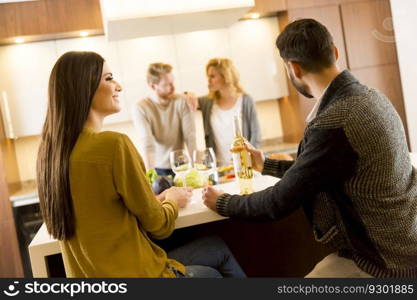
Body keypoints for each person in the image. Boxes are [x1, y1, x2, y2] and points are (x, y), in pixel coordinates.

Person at [202, 19, 417, 278]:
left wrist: (222, 201)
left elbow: (276, 202)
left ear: (293, 68)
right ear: (335, 52)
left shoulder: (335, 121)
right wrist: (266, 164)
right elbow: (318, 170)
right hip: (402, 245)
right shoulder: (372, 97)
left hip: (386, 263)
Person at [36, 51, 245, 278]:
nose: (118, 86)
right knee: (213, 270)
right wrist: (173, 200)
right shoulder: (113, 145)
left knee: (215, 248)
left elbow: (104, 215)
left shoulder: (50, 157)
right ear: (84, 87)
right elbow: (159, 226)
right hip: (139, 274)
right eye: (108, 78)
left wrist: (155, 200)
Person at [188, 58, 261, 167]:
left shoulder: (246, 100)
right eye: (208, 76)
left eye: (212, 76)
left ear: (226, 76)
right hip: (219, 167)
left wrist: (248, 159)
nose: (208, 80)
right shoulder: (207, 102)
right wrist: (188, 94)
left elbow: (256, 134)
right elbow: (185, 101)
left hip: (245, 165)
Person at [132, 62, 197, 176]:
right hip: (157, 168)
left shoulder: (182, 101)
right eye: (167, 84)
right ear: (153, 86)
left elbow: (190, 137)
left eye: (173, 82)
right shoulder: (141, 107)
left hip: (182, 166)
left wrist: (196, 169)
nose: (173, 88)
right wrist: (150, 176)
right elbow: (147, 143)